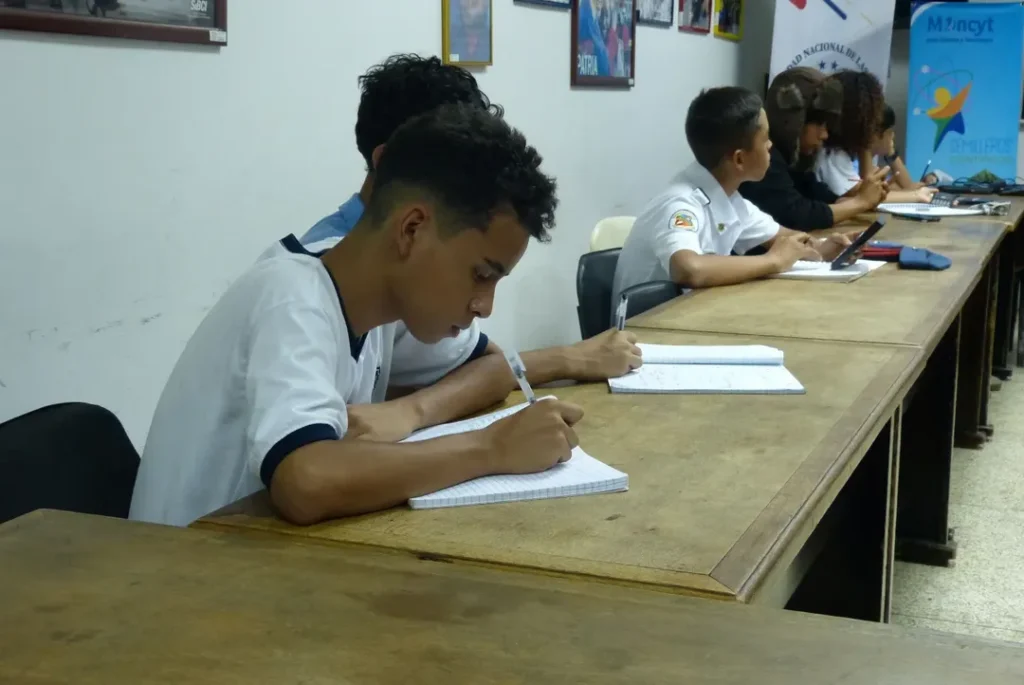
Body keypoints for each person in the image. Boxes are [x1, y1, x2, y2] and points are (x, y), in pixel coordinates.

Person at [131, 105, 589, 527]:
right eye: (481, 275)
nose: (484, 305)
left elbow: (490, 366)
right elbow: (305, 480)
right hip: (184, 569)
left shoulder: (379, 313)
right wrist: (490, 447)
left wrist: (415, 413)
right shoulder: (292, 298)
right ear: (412, 229)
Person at [298, 54, 640, 393]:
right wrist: (567, 359)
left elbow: (485, 363)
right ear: (389, 160)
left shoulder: (401, 262)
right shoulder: (338, 280)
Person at [612, 87, 855, 301]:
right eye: (765, 138)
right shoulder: (680, 204)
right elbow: (688, 269)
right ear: (739, 159)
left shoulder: (730, 200)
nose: (771, 146)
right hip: (645, 327)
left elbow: (786, 240)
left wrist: (824, 247)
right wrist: (772, 261)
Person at [739, 67, 888, 231]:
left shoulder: (794, 159)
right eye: (819, 124)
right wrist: (860, 202)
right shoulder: (764, 157)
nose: (825, 135)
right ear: (793, 121)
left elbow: (820, 198)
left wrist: (865, 197)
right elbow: (796, 214)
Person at [815, 73, 936, 204]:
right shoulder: (833, 154)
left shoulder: (845, 153)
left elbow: (889, 188)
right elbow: (863, 195)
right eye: (870, 121)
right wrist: (916, 196)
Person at [860, 104, 936, 200]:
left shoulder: (872, 156)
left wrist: (891, 153)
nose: (893, 136)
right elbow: (868, 195)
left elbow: (907, 186)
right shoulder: (855, 159)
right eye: (890, 131)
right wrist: (916, 195)